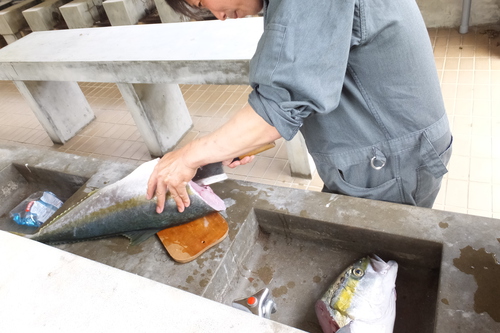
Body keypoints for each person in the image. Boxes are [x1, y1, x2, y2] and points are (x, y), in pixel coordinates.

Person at [147, 0, 453, 213]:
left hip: (390, 162)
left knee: (375, 277)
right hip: (385, 154)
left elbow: (277, 107)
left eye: (203, 2)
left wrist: (187, 156)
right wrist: (235, 143)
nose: (217, 15)